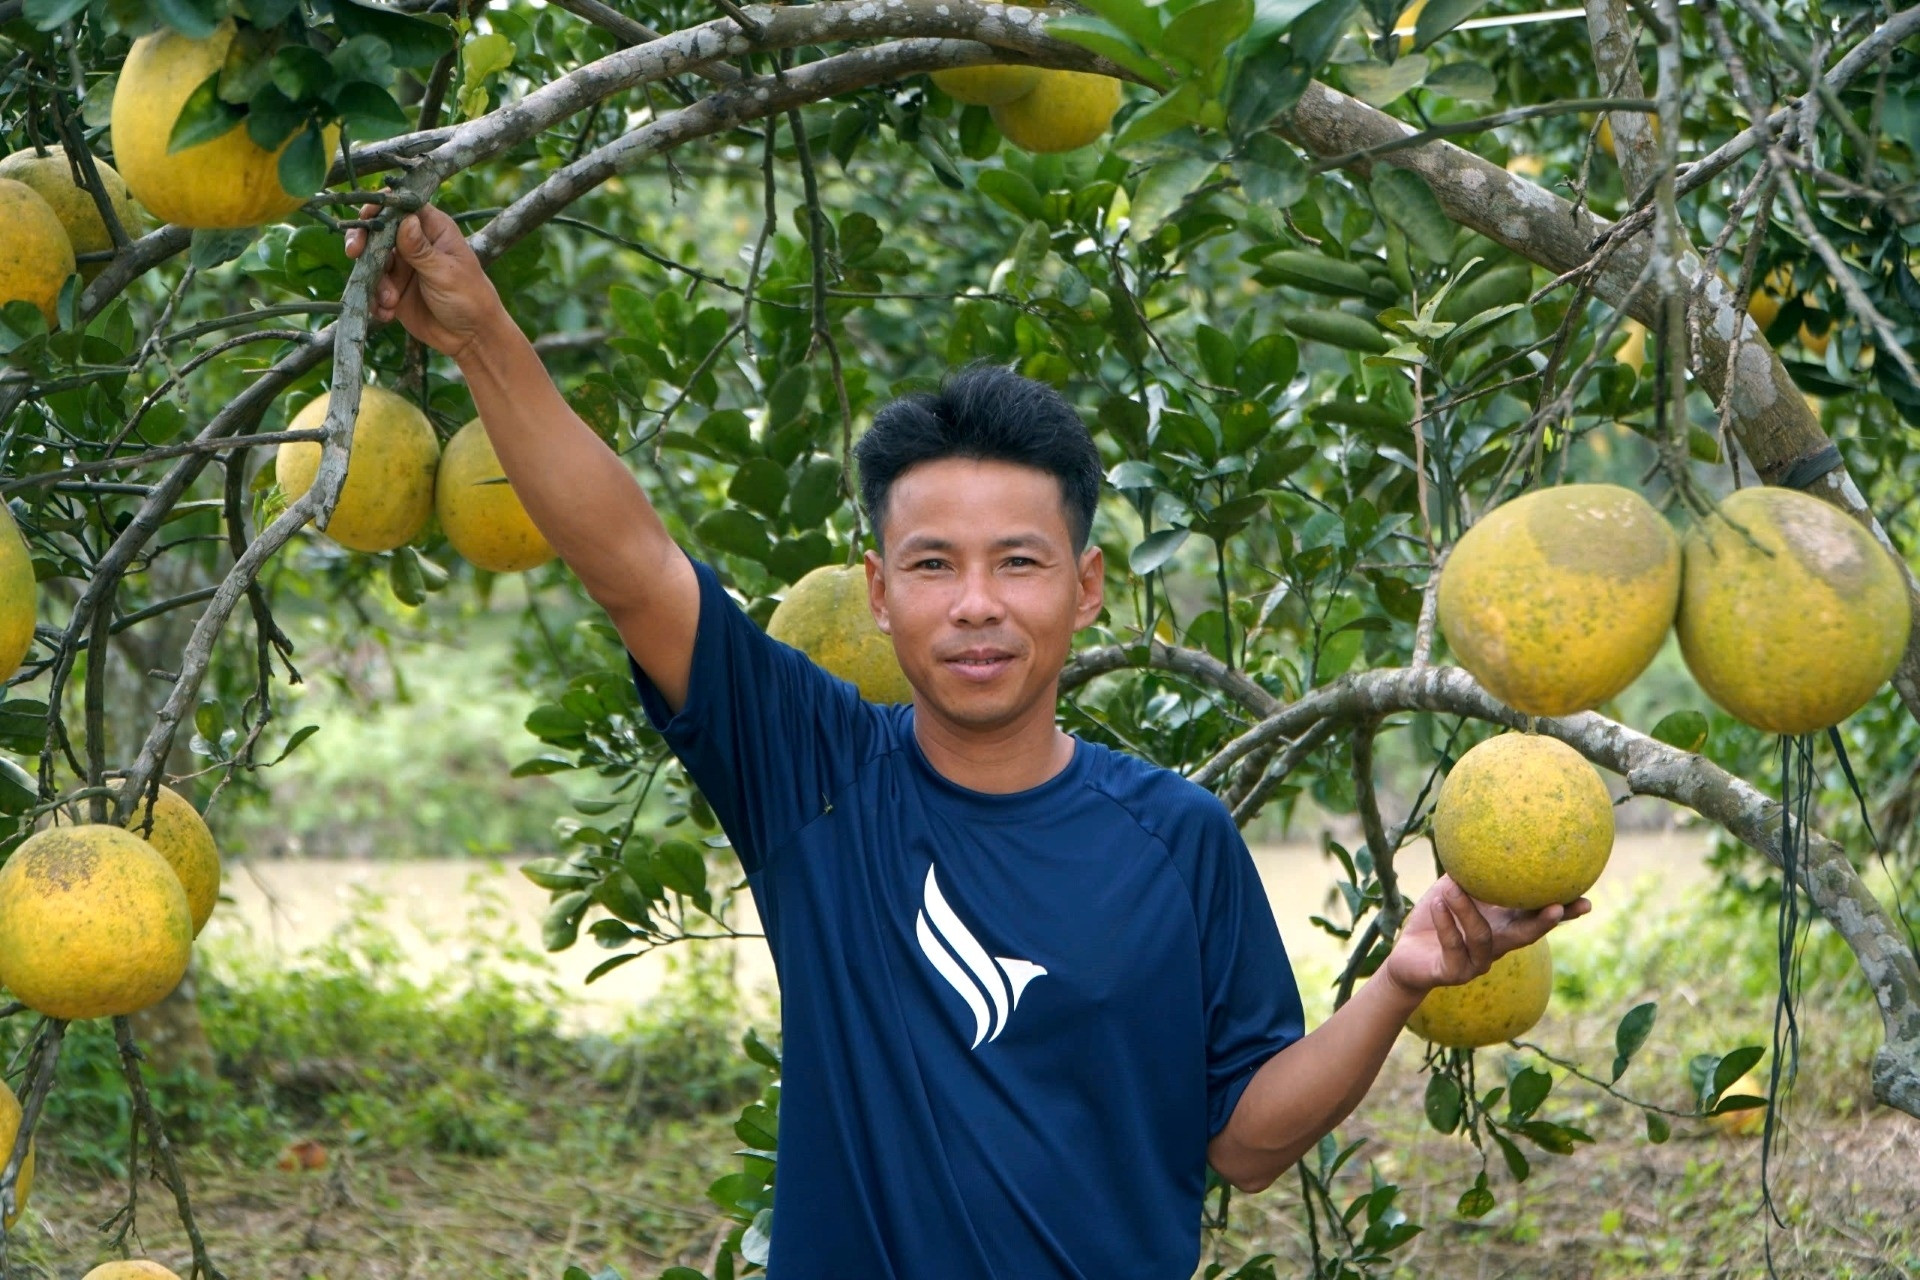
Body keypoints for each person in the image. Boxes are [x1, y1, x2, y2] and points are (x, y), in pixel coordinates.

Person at [346, 205, 1589, 1279]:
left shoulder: (1177, 838)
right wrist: (478, 334)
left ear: (1087, 587)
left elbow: (1247, 1143)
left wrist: (1401, 980)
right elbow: (630, 563)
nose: (977, 602)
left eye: (1019, 562)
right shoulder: (814, 775)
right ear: (879, 593)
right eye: (935, 564)